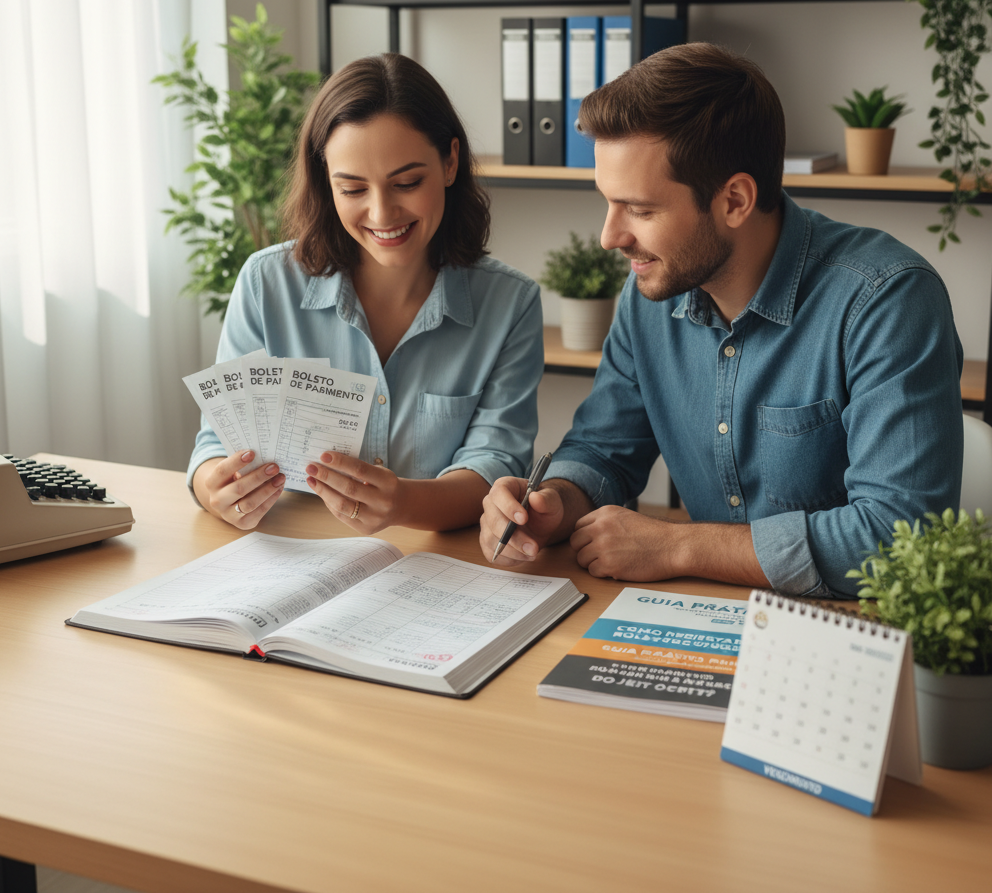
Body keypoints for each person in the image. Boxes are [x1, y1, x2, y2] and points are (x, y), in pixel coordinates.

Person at [479, 42, 964, 598]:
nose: (610, 236)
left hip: (846, 634)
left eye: (640, 210)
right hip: (705, 615)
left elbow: (899, 539)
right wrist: (553, 502)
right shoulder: (650, 294)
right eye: (608, 202)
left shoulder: (888, 301)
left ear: (734, 200)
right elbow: (603, 450)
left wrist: (677, 545)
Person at [189, 53, 543, 534]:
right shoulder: (264, 283)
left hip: (433, 565)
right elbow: (216, 444)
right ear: (326, 184)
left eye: (407, 182)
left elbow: (494, 468)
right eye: (353, 189)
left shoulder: (510, 305)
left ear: (450, 161)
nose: (381, 213)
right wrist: (214, 487)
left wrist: (402, 503)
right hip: (289, 562)